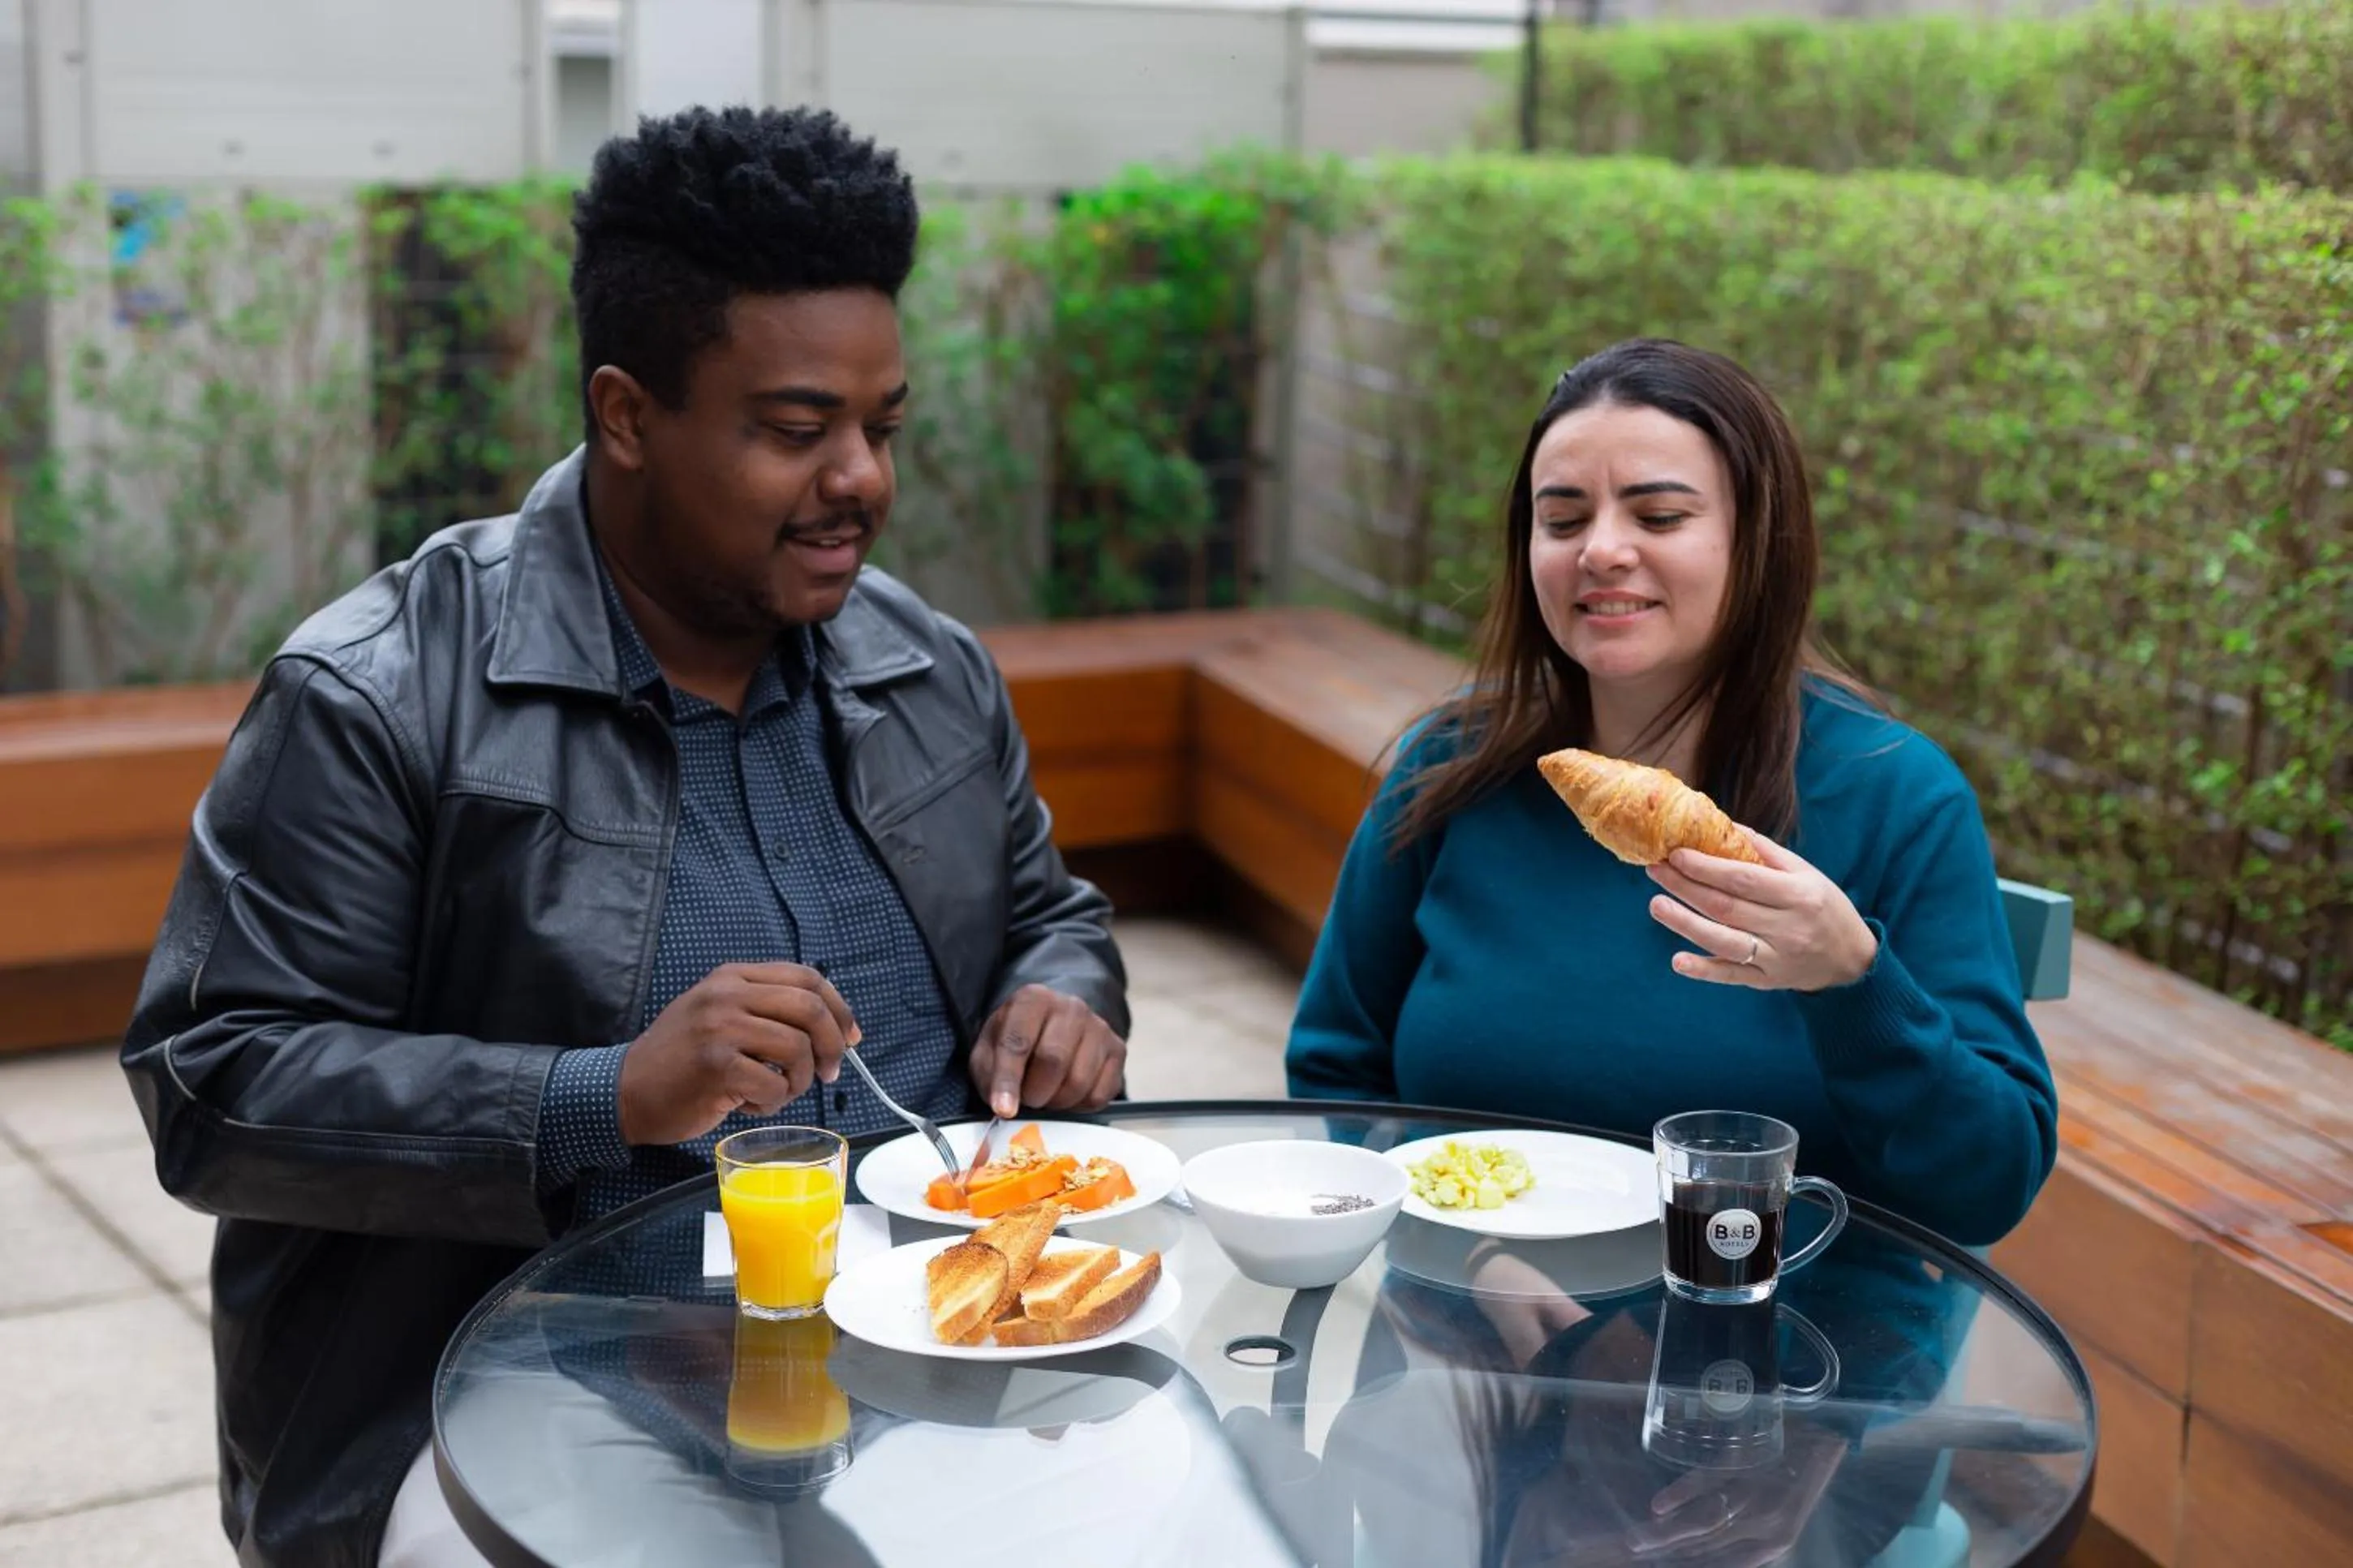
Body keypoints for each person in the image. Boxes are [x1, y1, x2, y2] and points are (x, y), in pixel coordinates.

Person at [118, 105, 1129, 1568]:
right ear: (628, 415)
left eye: (881, 424)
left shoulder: (927, 663)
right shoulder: (382, 693)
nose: (863, 479)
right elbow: (211, 1082)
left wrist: (1067, 994)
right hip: (532, 1392)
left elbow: (1048, 907)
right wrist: (605, 1093)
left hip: (936, 1347)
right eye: (797, 430)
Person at [1285, 338, 2057, 1248]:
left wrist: (1853, 982)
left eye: (1657, 516)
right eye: (1562, 521)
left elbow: (1987, 1188)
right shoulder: (1450, 766)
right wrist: (1461, 1256)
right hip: (1462, 1342)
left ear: (1756, 541)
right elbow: (1337, 1066)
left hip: (1786, 1350)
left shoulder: (1893, 798)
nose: (1601, 550)